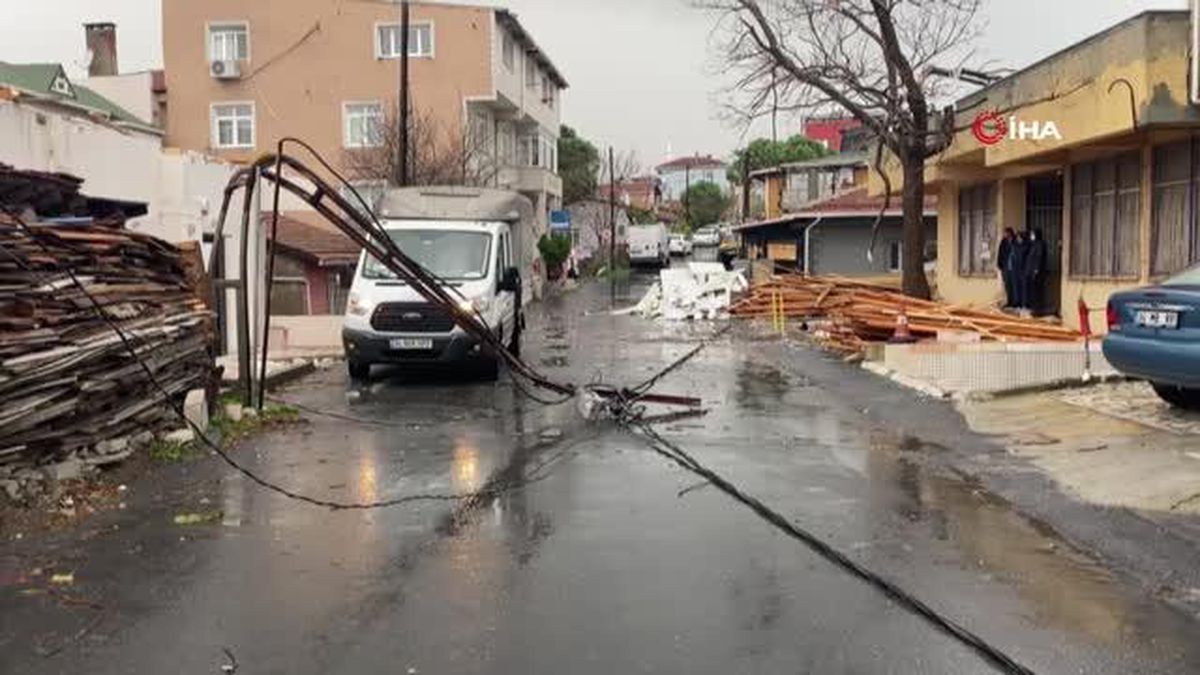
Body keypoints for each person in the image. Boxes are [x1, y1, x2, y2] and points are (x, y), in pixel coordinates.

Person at [1024, 229, 1048, 316]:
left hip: (1037, 273)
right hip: (1031, 272)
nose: (1031, 236)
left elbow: (1039, 258)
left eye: (1032, 234)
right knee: (1032, 291)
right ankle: (1034, 308)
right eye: (1031, 234)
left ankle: (1038, 310)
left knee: (1037, 291)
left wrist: (1036, 270)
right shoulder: (1033, 244)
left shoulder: (1040, 244)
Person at [1010, 231, 1030, 312]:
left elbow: (1026, 259)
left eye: (1020, 237)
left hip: (1023, 270)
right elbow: (1013, 258)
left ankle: (1024, 304)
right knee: (1016, 288)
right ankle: (1017, 304)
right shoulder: (1015, 246)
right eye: (1017, 237)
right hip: (1016, 270)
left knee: (1024, 288)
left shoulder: (1026, 246)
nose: (1018, 239)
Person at [997, 228, 1017, 309]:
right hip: (1005, 267)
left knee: (1014, 285)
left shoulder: (1015, 241)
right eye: (1004, 233)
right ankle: (1009, 301)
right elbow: (1000, 252)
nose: (1004, 234)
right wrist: (999, 264)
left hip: (1014, 267)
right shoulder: (1003, 242)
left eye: (1006, 233)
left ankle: (1016, 302)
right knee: (1007, 285)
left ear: (1010, 233)